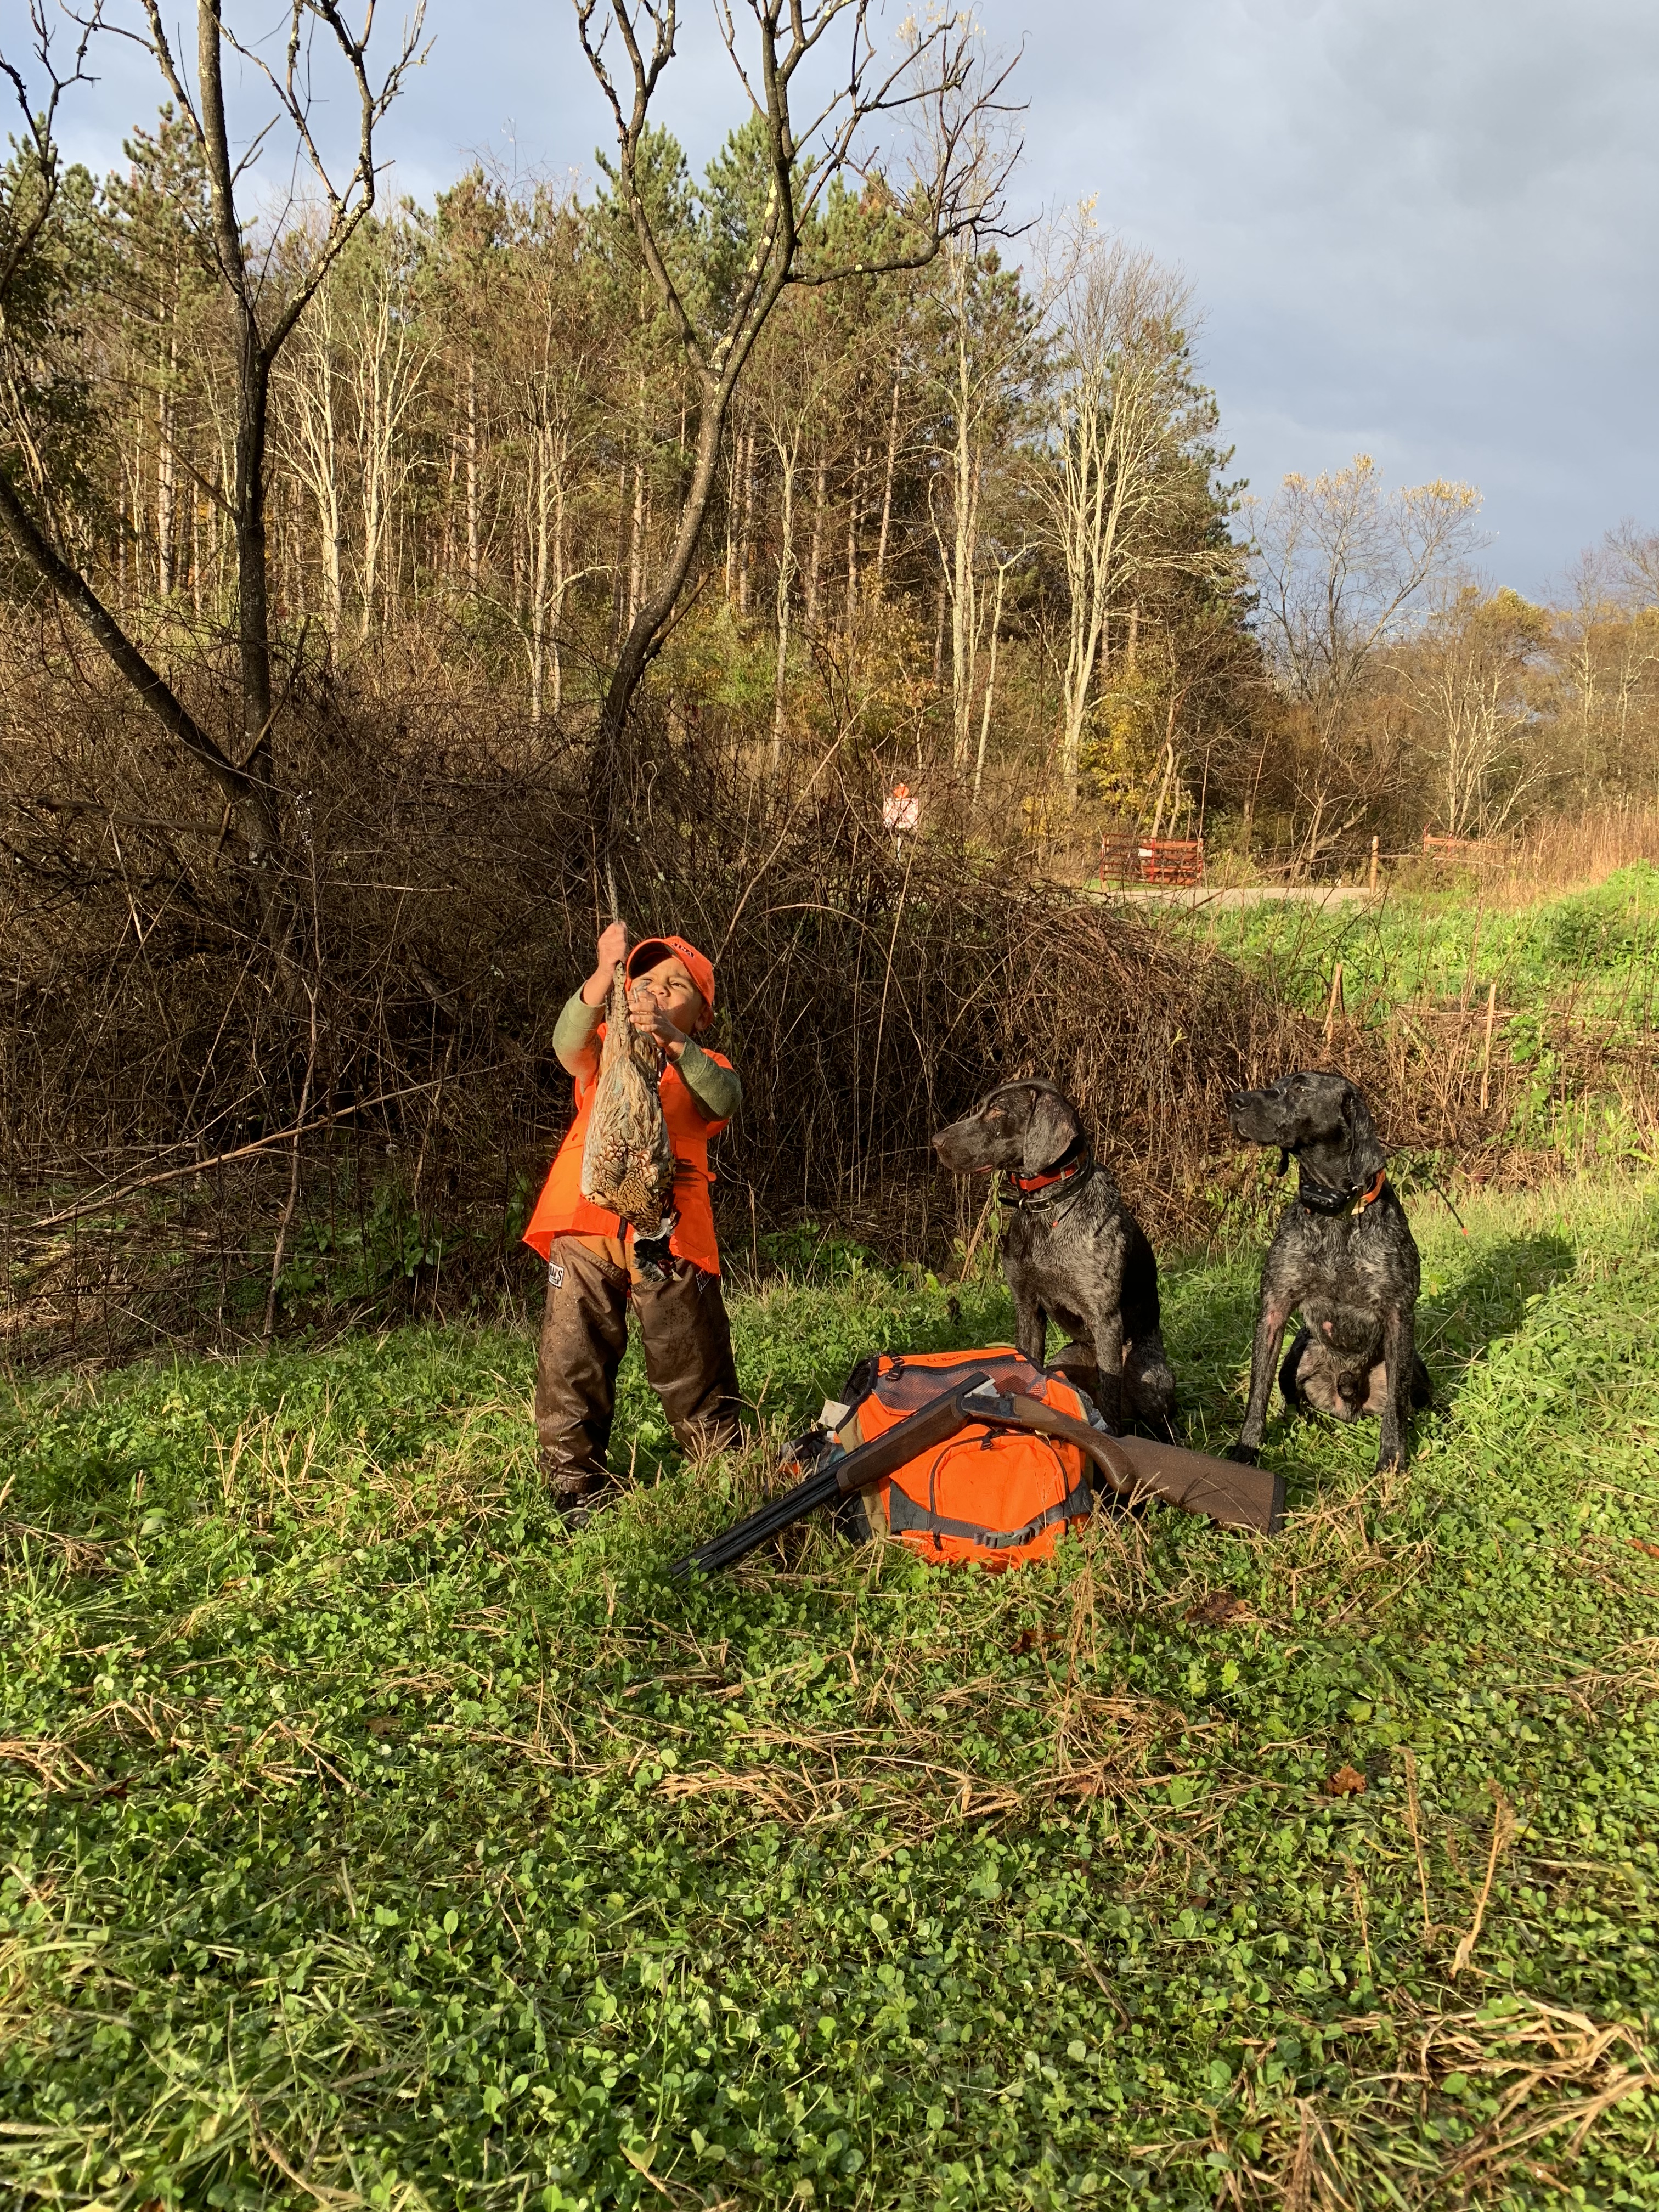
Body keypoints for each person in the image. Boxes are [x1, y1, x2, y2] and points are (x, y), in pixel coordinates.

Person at [523, 925, 744, 1523]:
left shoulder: (703, 1064)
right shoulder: (603, 1051)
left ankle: (720, 1471)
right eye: (645, 979)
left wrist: (674, 1042)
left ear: (701, 1016)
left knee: (688, 1356)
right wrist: (602, 974)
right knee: (572, 1358)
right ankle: (574, 1486)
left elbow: (723, 1098)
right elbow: (565, 1043)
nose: (657, 990)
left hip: (664, 1237)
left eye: (677, 986)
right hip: (585, 1228)